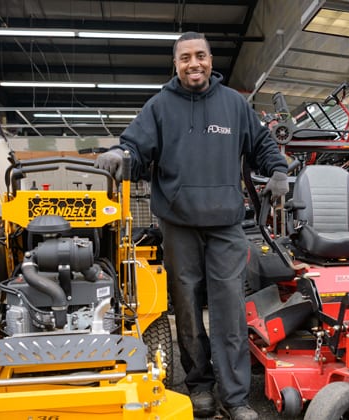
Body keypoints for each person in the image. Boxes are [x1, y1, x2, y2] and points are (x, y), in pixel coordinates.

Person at [95, 31, 288, 420]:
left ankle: (234, 397)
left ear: (211, 60)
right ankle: (199, 385)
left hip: (226, 224)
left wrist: (279, 170)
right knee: (185, 308)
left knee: (229, 310)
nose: (193, 63)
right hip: (178, 224)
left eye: (200, 56)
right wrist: (119, 152)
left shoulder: (234, 105)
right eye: (185, 58)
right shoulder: (160, 106)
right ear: (176, 63)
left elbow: (263, 146)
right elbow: (134, 145)